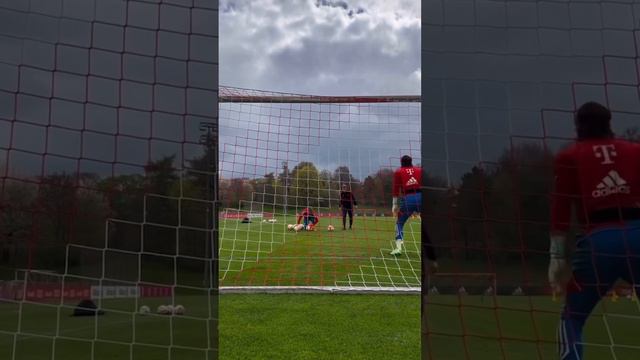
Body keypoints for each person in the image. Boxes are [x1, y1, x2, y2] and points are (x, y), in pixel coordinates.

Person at [549, 101, 640, 360]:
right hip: (638, 233)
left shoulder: (569, 156)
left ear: (579, 126)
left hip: (600, 241)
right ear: (609, 123)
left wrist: (556, 257)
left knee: (573, 317)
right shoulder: (635, 150)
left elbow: (561, 210)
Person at [390, 155, 422, 255]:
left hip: (409, 198)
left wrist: (394, 204)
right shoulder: (419, 170)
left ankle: (398, 248)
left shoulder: (399, 172)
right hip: (421, 196)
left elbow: (396, 189)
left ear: (401, 162)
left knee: (399, 223)